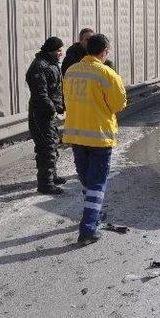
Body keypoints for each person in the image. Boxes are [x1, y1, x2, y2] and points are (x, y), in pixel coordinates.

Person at [63, 34, 127, 246]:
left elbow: (67, 101)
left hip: (75, 134)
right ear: (104, 52)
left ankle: (94, 214)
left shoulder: (70, 71)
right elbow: (119, 105)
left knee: (87, 181)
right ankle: (88, 229)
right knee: (97, 183)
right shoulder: (107, 73)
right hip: (99, 136)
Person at [26, 37, 66, 195]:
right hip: (41, 114)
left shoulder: (50, 63)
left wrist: (59, 106)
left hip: (49, 114)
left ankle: (52, 175)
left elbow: (55, 89)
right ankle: (45, 183)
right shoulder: (39, 66)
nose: (61, 53)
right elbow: (41, 94)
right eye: (59, 50)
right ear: (52, 51)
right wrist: (52, 109)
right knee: (46, 147)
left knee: (53, 143)